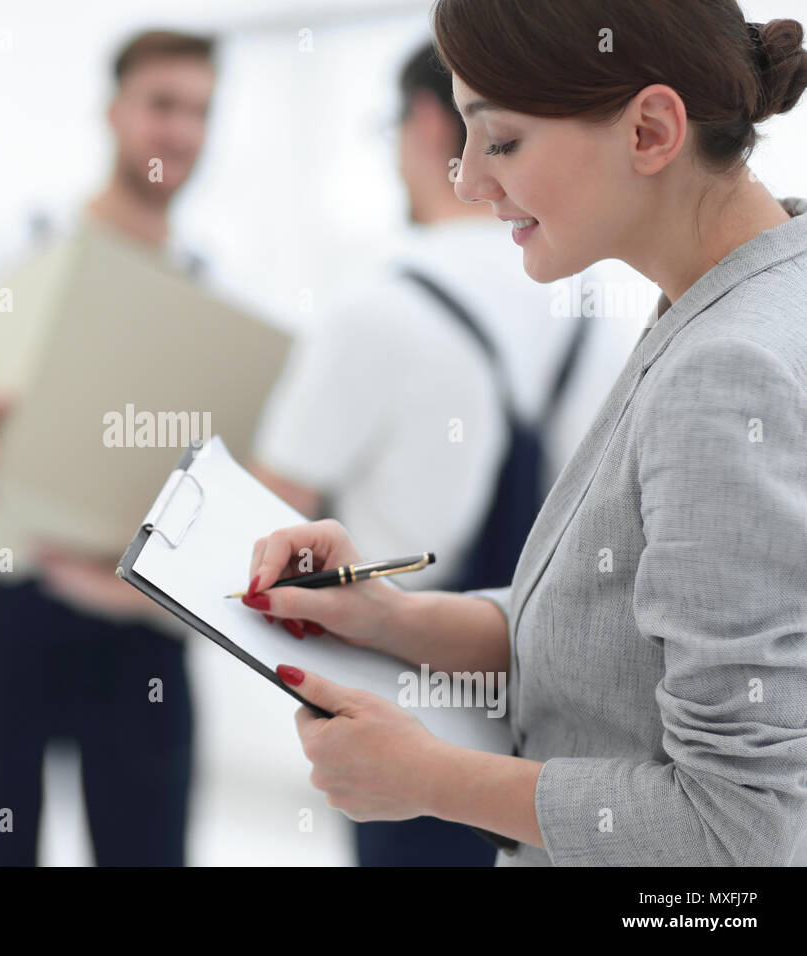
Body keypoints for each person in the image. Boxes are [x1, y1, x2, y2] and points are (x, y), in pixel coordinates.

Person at [243, 0, 807, 866]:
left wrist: (428, 780)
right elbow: (628, 634)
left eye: (500, 141)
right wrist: (390, 618)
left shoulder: (722, 371)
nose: (468, 181)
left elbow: (741, 829)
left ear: (652, 130)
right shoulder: (750, 293)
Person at [250, 42, 641, 865]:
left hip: (403, 726)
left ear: (429, 124)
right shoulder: (601, 306)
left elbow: (268, 524)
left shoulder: (376, 304)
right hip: (566, 735)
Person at [0, 30, 220, 865]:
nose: (178, 131)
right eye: (161, 105)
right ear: (115, 113)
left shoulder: (211, 284)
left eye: (199, 112)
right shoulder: (13, 244)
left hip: (136, 615)